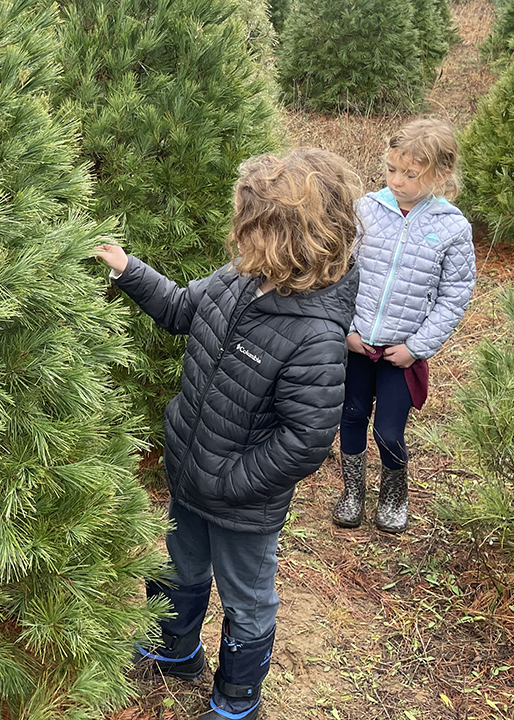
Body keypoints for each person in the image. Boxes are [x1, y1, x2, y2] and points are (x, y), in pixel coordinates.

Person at [96, 148, 361, 720]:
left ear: (291, 239)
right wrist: (127, 268)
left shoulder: (314, 335)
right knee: (180, 564)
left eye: (251, 227)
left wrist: (230, 480)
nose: (238, 237)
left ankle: (237, 699)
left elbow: (307, 439)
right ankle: (175, 650)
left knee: (246, 597)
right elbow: (180, 309)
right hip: (190, 472)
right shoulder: (239, 279)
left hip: (243, 504)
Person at [332, 118, 475, 534]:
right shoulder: (367, 210)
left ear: (441, 175)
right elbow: (341, 271)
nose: (397, 180)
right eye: (392, 169)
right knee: (352, 415)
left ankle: (394, 492)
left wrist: (417, 346)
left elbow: (455, 295)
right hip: (357, 344)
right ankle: (353, 491)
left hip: (401, 353)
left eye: (411, 174)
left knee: (389, 429)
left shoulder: (451, 227)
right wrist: (347, 329)